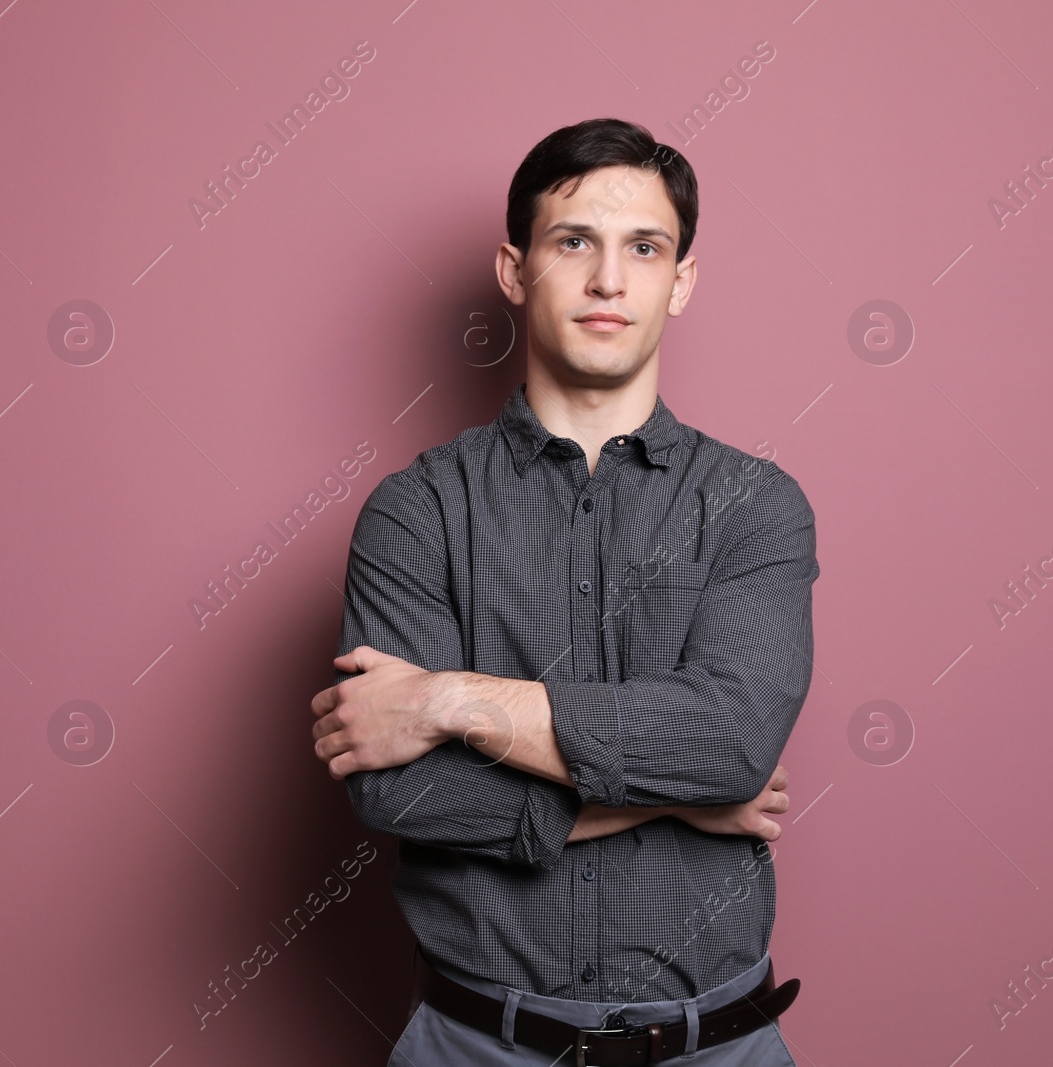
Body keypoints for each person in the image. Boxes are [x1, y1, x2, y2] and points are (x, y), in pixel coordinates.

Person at [310, 117, 819, 1065]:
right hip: (475, 1045)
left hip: (720, 1046)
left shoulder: (759, 504)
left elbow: (733, 743)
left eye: (645, 248)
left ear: (683, 281)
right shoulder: (415, 511)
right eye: (573, 241)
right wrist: (671, 799)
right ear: (514, 270)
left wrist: (441, 698)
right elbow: (400, 791)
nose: (609, 281)